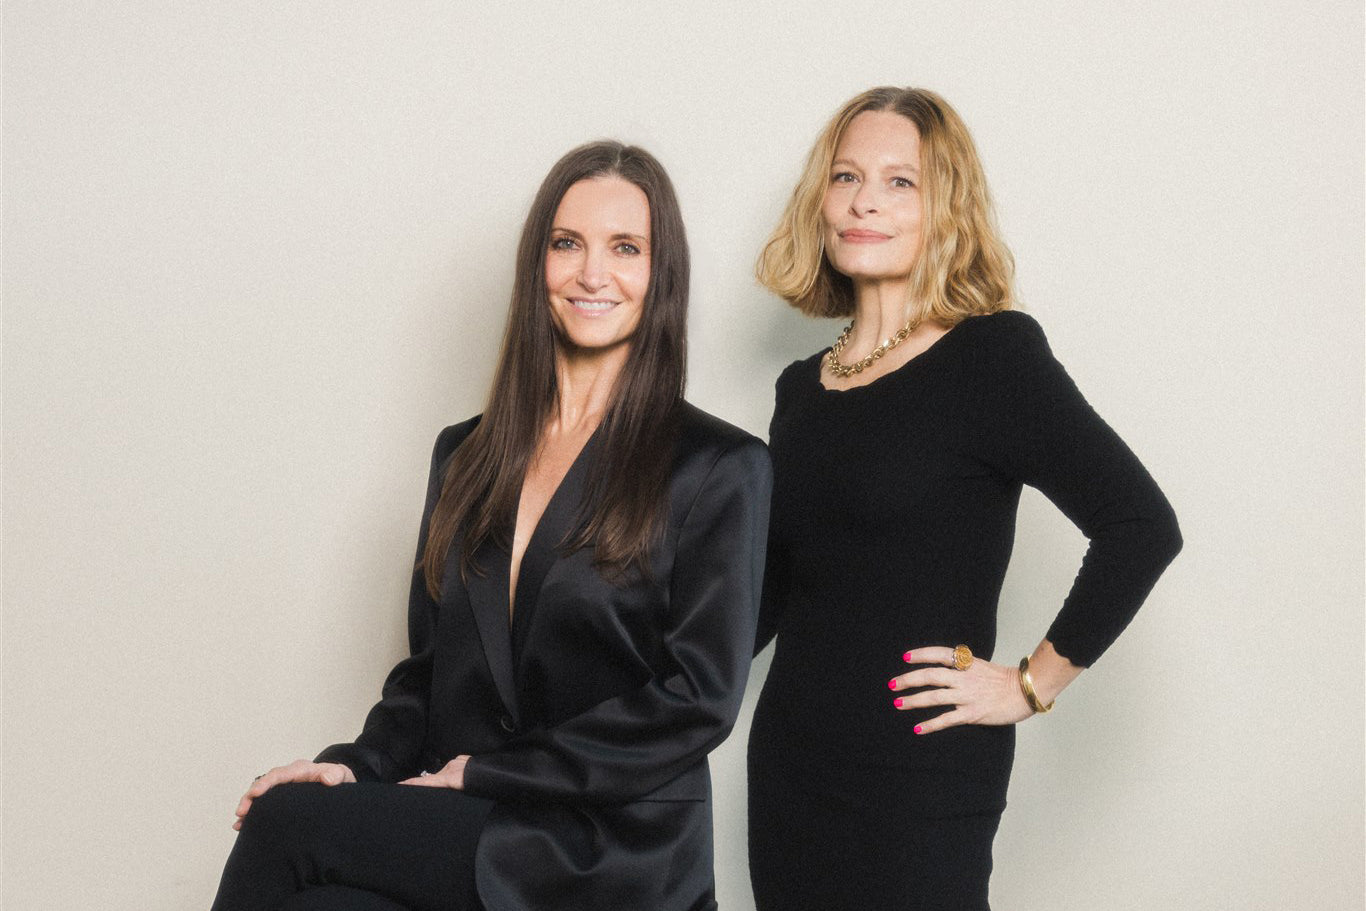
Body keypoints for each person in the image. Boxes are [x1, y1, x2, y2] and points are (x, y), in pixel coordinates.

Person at [211, 140, 771, 911]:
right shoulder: (466, 454)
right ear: (537, 264)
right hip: (466, 819)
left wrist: (485, 772)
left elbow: (697, 699)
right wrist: (355, 767)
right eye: (567, 243)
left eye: (625, 248)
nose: (593, 273)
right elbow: (426, 676)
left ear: (659, 274)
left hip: (604, 848)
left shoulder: (719, 467)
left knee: (284, 824)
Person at [745, 86, 1182, 911]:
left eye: (899, 181)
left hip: (919, 777)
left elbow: (1140, 525)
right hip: (791, 764)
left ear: (945, 205)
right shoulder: (801, 388)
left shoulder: (994, 359)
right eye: (845, 177)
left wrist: (1028, 685)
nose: (864, 199)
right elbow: (770, 586)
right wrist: (647, 699)